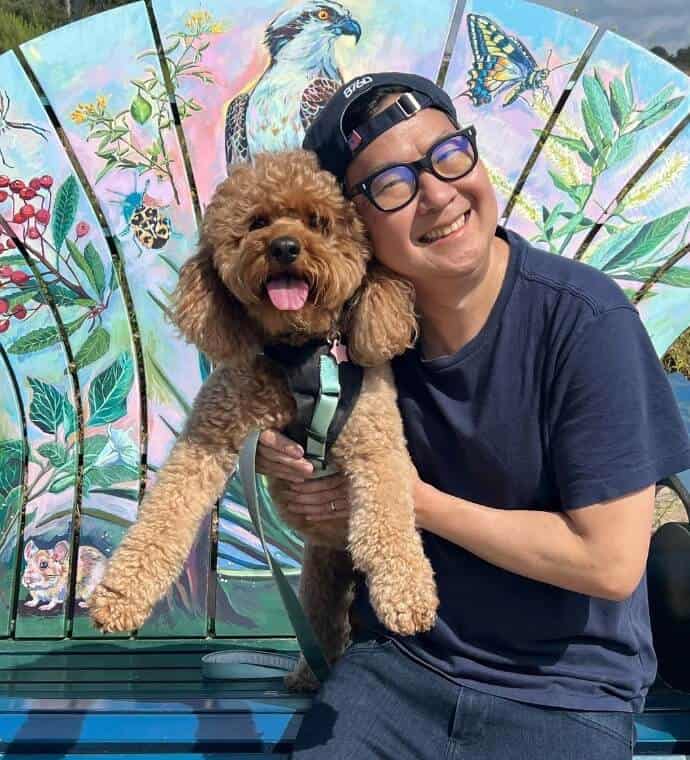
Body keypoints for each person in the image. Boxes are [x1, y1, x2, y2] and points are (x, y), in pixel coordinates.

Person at [255, 71, 690, 759]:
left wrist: (410, 501)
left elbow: (608, 562)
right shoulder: (354, 339)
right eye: (392, 184)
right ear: (354, 225)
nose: (436, 192)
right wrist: (290, 479)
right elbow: (335, 518)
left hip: (564, 695)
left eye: (448, 153)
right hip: (397, 673)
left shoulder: (583, 321)